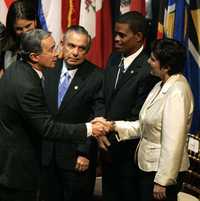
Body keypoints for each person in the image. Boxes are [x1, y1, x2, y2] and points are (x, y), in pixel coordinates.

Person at [0, 29, 105, 201]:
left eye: (82, 48)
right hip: (20, 165)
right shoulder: (29, 82)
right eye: (51, 49)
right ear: (34, 56)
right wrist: (89, 129)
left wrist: (84, 150)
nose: (57, 53)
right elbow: (47, 127)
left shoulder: (18, 69)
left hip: (66, 158)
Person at [97, 38, 194, 201]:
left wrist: (163, 181)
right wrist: (113, 125)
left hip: (160, 174)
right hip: (148, 167)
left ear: (167, 66)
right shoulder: (160, 85)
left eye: (153, 59)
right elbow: (145, 125)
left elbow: (173, 141)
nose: (148, 61)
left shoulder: (177, 92)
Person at [97, 11, 159, 201]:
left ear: (139, 37)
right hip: (105, 148)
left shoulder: (149, 69)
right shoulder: (113, 58)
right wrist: (99, 130)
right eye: (115, 33)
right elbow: (101, 97)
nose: (115, 39)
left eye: (122, 35)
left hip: (128, 156)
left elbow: (138, 116)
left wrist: (108, 136)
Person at [40, 25, 105, 201]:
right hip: (45, 155)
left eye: (81, 48)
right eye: (71, 46)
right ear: (62, 44)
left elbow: (96, 118)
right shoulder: (48, 68)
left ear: (87, 50)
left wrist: (84, 152)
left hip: (76, 158)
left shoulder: (97, 76)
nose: (75, 52)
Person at [3, 0, 40, 69]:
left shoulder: (47, 45)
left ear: (35, 21)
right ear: (12, 28)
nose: (25, 32)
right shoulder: (6, 50)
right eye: (19, 29)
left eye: (28, 26)